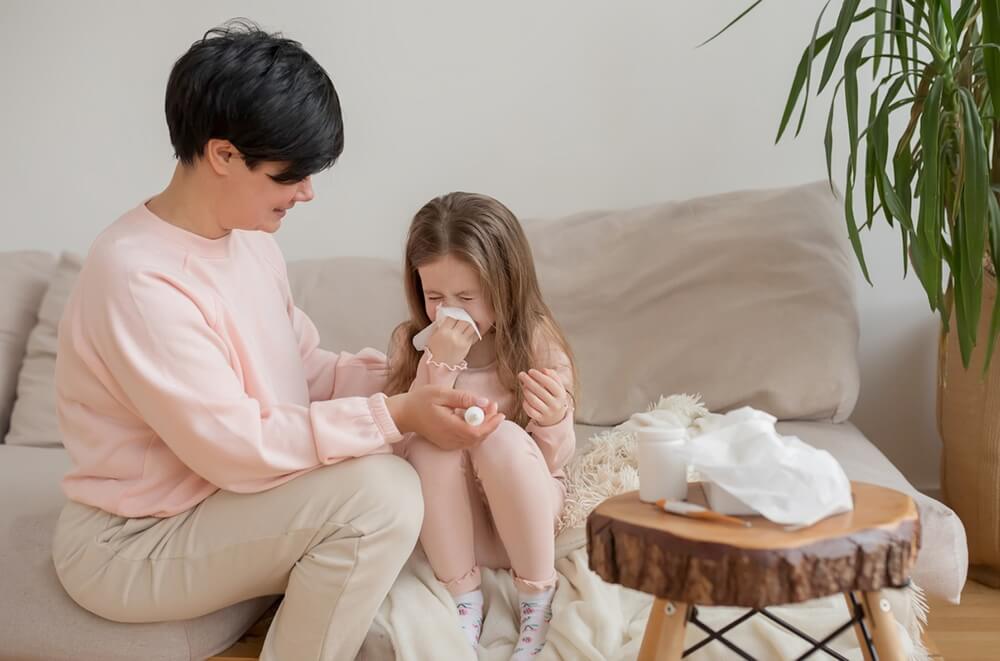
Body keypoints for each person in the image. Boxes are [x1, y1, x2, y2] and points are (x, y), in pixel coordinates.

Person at [50, 21, 502, 661]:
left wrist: (414, 375)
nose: (307, 192)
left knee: (396, 462)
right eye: (291, 174)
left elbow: (304, 372)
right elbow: (236, 447)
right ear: (223, 155)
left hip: (225, 508)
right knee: (382, 495)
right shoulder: (137, 276)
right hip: (132, 541)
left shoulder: (251, 245)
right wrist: (394, 413)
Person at [386, 192, 577, 658]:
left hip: (525, 523)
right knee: (431, 444)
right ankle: (463, 600)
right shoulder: (410, 344)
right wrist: (438, 366)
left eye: (467, 297)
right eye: (435, 297)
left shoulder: (533, 339)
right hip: (454, 531)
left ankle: (537, 598)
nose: (450, 311)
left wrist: (553, 418)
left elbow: (550, 459)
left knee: (502, 437)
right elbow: (405, 442)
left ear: (504, 286)